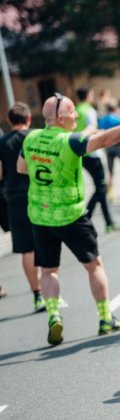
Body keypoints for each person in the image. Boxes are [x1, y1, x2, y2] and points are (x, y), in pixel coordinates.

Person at [17, 93, 120, 346]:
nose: (76, 117)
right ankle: (105, 318)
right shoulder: (70, 141)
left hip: (40, 215)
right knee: (94, 265)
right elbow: (104, 139)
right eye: (72, 113)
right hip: (71, 214)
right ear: (61, 118)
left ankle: (53, 315)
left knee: (48, 270)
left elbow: (22, 168)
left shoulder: (31, 138)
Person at [0, 102, 43, 311]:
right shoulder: (35, 136)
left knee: (27, 248)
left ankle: (37, 295)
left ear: (9, 121)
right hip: (38, 195)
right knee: (45, 242)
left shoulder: (2, 142)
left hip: (14, 198)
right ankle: (52, 291)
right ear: (27, 119)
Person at [75, 87, 120, 232]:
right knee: (101, 188)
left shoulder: (76, 110)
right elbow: (92, 129)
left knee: (101, 188)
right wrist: (102, 133)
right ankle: (87, 215)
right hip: (93, 153)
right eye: (91, 94)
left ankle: (108, 222)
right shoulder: (89, 110)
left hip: (82, 154)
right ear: (88, 95)